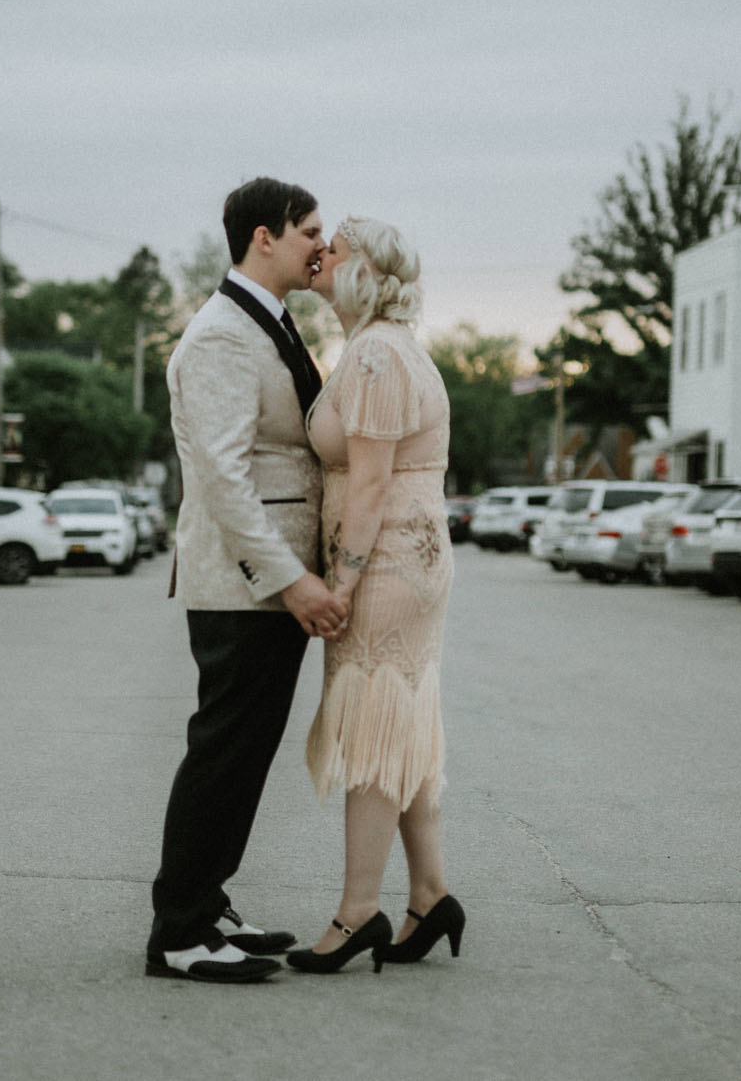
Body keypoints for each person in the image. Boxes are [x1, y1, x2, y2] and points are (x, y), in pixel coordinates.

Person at [145, 177, 351, 984]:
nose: (319, 245)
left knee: (244, 751)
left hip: (265, 582)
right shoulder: (224, 336)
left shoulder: (268, 321)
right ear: (262, 237)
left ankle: (206, 900)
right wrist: (293, 581)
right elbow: (224, 479)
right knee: (224, 751)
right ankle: (181, 930)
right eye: (309, 230)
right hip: (247, 584)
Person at [285, 214, 466, 975]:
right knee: (400, 723)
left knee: (370, 727)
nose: (322, 253)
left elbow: (368, 483)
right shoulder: (375, 348)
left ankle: (358, 912)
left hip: (388, 563)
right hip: (405, 556)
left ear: (364, 272)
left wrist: (342, 582)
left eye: (338, 247)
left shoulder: (378, 357)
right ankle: (429, 893)